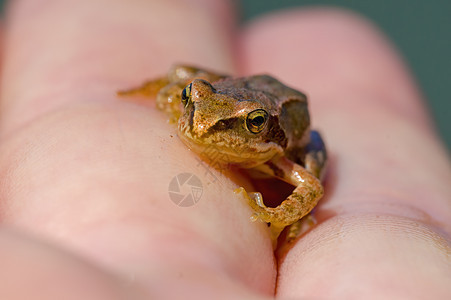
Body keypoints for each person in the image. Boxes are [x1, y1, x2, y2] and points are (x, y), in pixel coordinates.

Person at [1, 0, 450, 298]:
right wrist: (181, 90)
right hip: (237, 92)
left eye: (250, 124)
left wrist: (278, 215)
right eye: (189, 102)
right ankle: (219, 102)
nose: (201, 128)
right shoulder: (203, 109)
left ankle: (228, 107)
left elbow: (308, 187)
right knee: (192, 79)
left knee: (310, 154)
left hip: (280, 112)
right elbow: (192, 81)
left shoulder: (275, 150)